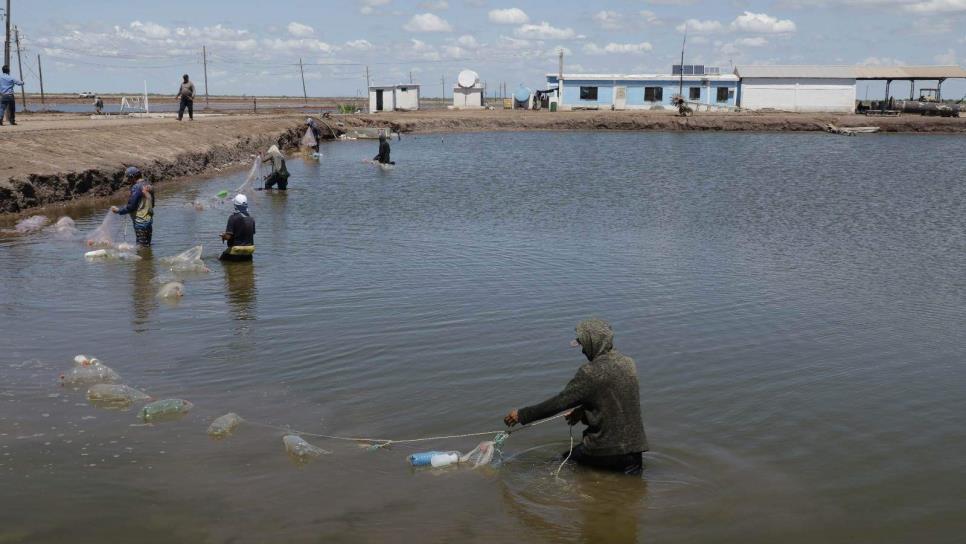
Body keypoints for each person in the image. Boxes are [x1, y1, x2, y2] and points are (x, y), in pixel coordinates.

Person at [504, 318, 648, 475]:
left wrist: (521, 415)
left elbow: (558, 403)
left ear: (593, 343)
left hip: (603, 451)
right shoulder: (629, 364)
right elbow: (617, 403)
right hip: (635, 452)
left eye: (584, 345)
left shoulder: (590, 373)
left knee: (558, 465)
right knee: (631, 493)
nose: (583, 351)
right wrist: (583, 412)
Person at [111, 166, 155, 247]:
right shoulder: (148, 185)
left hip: (140, 222)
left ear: (133, 177)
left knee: (141, 248)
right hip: (148, 221)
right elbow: (152, 204)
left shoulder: (137, 187)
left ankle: (144, 259)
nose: (128, 180)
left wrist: (118, 211)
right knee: (147, 245)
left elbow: (131, 207)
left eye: (128, 178)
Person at [219, 194, 255, 261]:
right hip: (249, 251)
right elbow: (250, 234)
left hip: (236, 251)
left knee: (221, 262)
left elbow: (228, 237)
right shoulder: (251, 219)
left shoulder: (232, 218)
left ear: (235, 206)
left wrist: (223, 236)